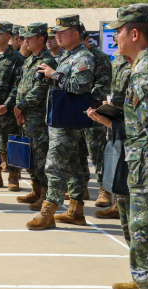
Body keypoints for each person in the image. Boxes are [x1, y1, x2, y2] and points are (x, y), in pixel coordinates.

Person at [89, 4, 148, 289]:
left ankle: (147, 282)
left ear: (134, 34)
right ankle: (144, 278)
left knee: (147, 236)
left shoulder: (145, 72)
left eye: (117, 31)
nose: (115, 37)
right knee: (144, 236)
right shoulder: (146, 66)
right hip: (143, 167)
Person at [26, 14, 96, 230]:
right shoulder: (66, 56)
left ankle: (48, 212)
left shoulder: (83, 58)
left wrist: (53, 74)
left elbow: (79, 86)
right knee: (74, 166)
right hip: (60, 118)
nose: (57, 36)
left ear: (76, 34)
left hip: (69, 121)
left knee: (54, 166)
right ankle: (76, 211)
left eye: (62, 32)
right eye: (56, 33)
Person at [14, 23, 57, 211]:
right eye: (24, 38)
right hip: (26, 115)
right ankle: (36, 189)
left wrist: (20, 106)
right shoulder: (29, 59)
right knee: (29, 155)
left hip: (39, 117)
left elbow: (40, 91)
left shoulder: (47, 61)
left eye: (29, 38)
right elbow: (21, 86)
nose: (25, 41)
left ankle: (45, 195)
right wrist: (19, 108)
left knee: (41, 157)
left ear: (41, 39)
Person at [95, 33, 132, 223]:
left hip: (131, 119)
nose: (117, 36)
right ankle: (117, 202)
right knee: (116, 158)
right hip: (116, 114)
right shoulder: (117, 58)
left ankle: (119, 202)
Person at [0, 21, 24, 190]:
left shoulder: (17, 59)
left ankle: (13, 176)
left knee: (11, 143)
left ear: (9, 37)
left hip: (8, 110)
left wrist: (7, 105)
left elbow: (18, 85)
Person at [81, 24, 113, 210]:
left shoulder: (100, 58)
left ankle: (104, 190)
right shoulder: (70, 57)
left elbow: (102, 85)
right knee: (78, 152)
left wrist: (82, 98)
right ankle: (82, 187)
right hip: (76, 111)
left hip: (95, 112)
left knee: (97, 152)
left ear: (87, 40)